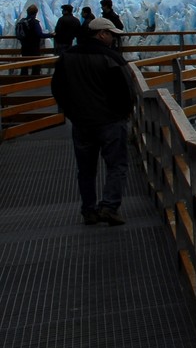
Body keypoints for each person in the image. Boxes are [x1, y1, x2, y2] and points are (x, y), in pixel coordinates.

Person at [50, 17, 134, 226]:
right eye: (112, 34)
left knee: (86, 169)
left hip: (81, 122)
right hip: (110, 121)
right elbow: (125, 89)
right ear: (101, 34)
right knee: (116, 165)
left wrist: (70, 112)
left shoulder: (67, 57)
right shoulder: (111, 58)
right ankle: (109, 207)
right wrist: (123, 112)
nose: (114, 39)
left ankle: (89, 210)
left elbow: (57, 87)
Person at [15, 4, 50, 75]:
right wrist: (51, 35)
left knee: (24, 65)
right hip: (34, 47)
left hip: (24, 46)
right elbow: (39, 34)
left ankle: (23, 81)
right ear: (35, 13)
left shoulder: (22, 22)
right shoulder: (35, 22)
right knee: (36, 65)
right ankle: (34, 81)